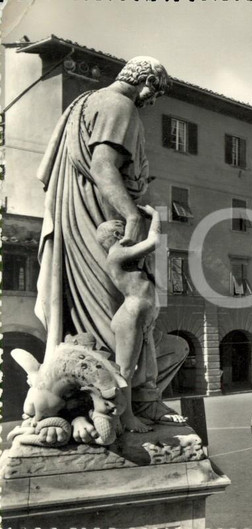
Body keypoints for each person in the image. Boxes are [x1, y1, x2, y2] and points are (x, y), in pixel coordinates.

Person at [35, 56, 185, 428]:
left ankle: (109, 402)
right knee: (112, 316)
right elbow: (103, 165)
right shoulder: (121, 105)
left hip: (79, 217)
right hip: (100, 216)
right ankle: (124, 405)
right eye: (154, 94)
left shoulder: (83, 104)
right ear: (146, 81)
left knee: (101, 318)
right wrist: (133, 215)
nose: (151, 102)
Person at [97, 205, 161, 433]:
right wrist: (155, 216)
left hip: (138, 317)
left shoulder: (126, 258)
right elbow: (153, 242)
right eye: (122, 230)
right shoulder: (116, 254)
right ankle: (127, 419)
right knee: (126, 371)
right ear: (116, 235)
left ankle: (139, 411)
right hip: (130, 317)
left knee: (141, 371)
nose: (127, 234)